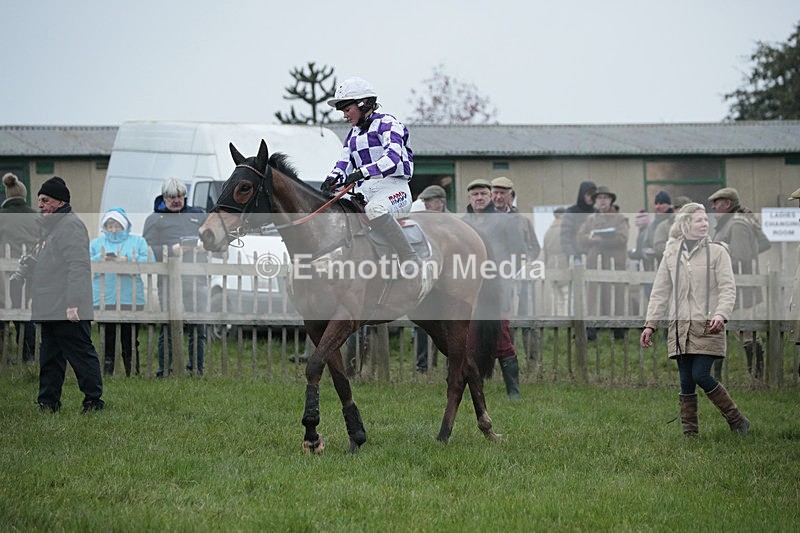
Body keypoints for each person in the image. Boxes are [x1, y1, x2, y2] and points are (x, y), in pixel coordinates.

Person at [641, 202, 749, 436]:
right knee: (686, 381)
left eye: (706, 220)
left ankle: (738, 420)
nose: (705, 224)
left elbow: (728, 288)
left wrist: (721, 313)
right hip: (680, 328)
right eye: (699, 220)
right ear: (685, 224)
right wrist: (650, 325)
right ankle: (690, 434)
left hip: (708, 326)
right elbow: (660, 292)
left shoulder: (718, 252)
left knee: (700, 374)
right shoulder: (671, 254)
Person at [321, 76, 420, 277]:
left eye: (347, 109)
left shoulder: (388, 124)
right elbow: (343, 164)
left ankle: (409, 257)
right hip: (365, 190)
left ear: (363, 103)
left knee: (375, 210)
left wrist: (362, 172)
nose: (344, 116)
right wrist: (332, 179)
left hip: (395, 187)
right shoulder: (352, 135)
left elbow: (392, 158)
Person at [26, 177, 104, 412]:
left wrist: (73, 303)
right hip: (51, 305)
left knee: (80, 354)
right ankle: (48, 402)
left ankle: (93, 400)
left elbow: (78, 265)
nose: (40, 205)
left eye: (45, 200)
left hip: (68, 306)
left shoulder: (70, 225)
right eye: (39, 200)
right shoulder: (51, 226)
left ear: (60, 202)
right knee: (50, 357)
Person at [463, 178, 523, 398]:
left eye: (483, 194)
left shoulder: (505, 221)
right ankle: (476, 388)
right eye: (475, 194)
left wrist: (505, 276)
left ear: (490, 196)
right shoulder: (462, 223)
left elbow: (519, 253)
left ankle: (513, 392)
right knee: (470, 338)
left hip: (497, 290)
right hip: (469, 289)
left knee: (501, 336)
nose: (479, 198)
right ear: (469, 198)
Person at [143, 178, 208, 377]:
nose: (177, 200)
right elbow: (146, 249)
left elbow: (214, 237)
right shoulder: (155, 219)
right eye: (172, 197)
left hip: (197, 278)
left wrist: (205, 245)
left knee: (198, 326)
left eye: (180, 196)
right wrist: (171, 250)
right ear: (164, 197)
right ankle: (165, 370)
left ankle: (196, 369)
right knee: (169, 325)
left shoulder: (198, 215)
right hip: (168, 281)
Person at [709, 187, 765, 379]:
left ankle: (757, 377)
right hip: (730, 289)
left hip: (741, 290)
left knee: (747, 333)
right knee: (727, 332)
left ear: (728, 204)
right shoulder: (728, 223)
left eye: (717, 202)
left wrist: (716, 261)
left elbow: (740, 257)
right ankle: (718, 378)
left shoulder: (737, 224)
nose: (713, 207)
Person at [90, 208, 151, 376]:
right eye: (109, 226)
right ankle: (106, 372)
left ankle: (133, 373)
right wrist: (100, 259)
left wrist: (128, 260)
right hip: (104, 297)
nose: (113, 230)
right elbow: (85, 262)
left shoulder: (138, 242)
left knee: (130, 337)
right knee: (107, 337)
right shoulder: (96, 243)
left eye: (117, 226)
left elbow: (149, 261)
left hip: (130, 297)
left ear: (124, 226)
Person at [492, 176, 542, 362]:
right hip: (495, 279)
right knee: (503, 319)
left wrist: (526, 261)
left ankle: (532, 361)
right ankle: (507, 358)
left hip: (521, 278)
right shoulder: (484, 219)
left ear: (510, 196)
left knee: (527, 317)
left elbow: (534, 246)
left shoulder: (522, 221)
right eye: (495, 193)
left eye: (502, 193)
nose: (498, 197)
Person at [577, 186, 629, 341]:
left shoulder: (620, 219)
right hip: (595, 263)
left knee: (615, 295)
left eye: (606, 198)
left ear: (611, 200)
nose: (602, 201)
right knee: (594, 295)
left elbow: (622, 238)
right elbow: (580, 237)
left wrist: (604, 239)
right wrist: (592, 239)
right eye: (599, 198)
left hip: (614, 263)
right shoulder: (591, 219)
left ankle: (617, 329)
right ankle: (592, 327)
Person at [410, 184, 449, 371]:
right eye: (424, 201)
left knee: (449, 324)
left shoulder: (452, 224)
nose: (425, 205)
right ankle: (422, 365)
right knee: (423, 323)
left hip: (447, 282)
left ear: (440, 202)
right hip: (427, 279)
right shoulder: (421, 223)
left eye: (429, 201)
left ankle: (451, 363)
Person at [0, 173, 38, 363]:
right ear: (24, 195)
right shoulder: (35, 216)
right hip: (27, 273)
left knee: (3, 310)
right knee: (24, 310)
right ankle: (28, 354)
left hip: (3, 276)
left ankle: (3, 355)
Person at [560, 181, 598, 265]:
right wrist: (573, 257)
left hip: (595, 258)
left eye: (594, 195)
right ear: (582, 195)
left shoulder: (597, 212)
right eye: (588, 194)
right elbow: (565, 238)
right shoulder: (571, 212)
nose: (591, 198)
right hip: (577, 257)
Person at [543, 207, 569, 315]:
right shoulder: (565, 231)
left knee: (556, 297)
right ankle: (567, 319)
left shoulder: (548, 232)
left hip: (550, 264)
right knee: (567, 295)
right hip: (564, 263)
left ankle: (558, 319)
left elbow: (545, 253)